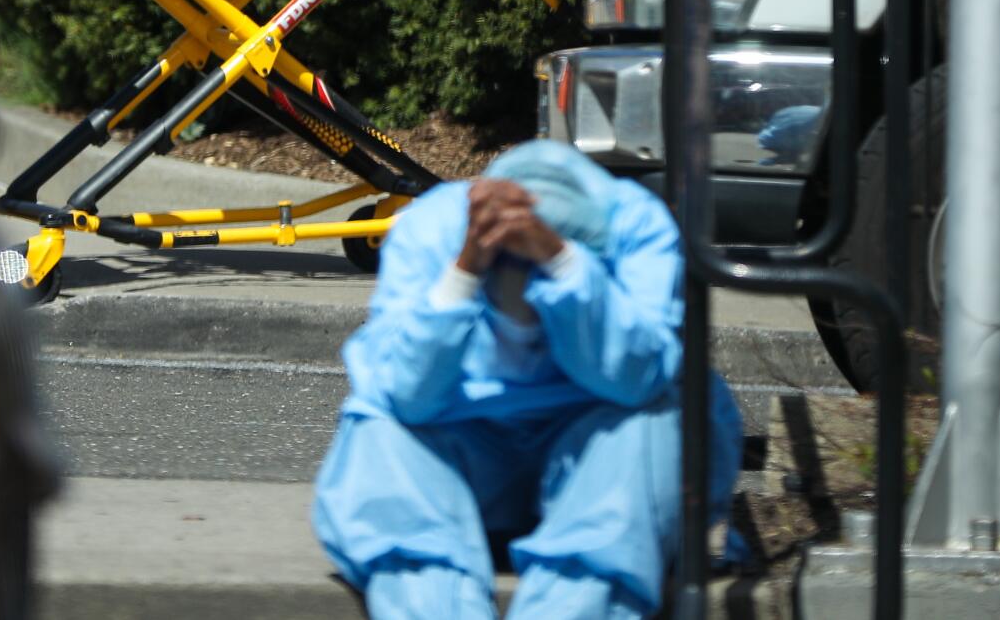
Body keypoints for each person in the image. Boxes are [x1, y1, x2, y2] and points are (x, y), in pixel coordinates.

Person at [310, 140, 746, 619]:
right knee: (380, 435)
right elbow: (404, 392)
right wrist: (465, 271)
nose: (522, 268)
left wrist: (563, 264)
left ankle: (575, 602)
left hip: (595, 471)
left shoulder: (635, 225)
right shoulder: (432, 227)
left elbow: (638, 379)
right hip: (463, 463)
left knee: (656, 420)